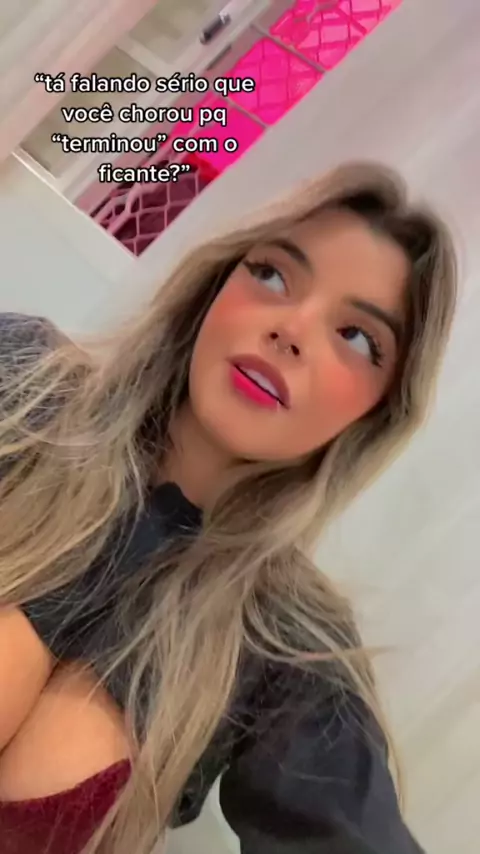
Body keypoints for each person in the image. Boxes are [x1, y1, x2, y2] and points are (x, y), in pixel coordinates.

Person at [0, 162, 457, 854]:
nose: (292, 329)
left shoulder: (289, 645)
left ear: (379, 409)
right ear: (217, 284)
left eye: (357, 337)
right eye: (271, 274)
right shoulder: (22, 385)